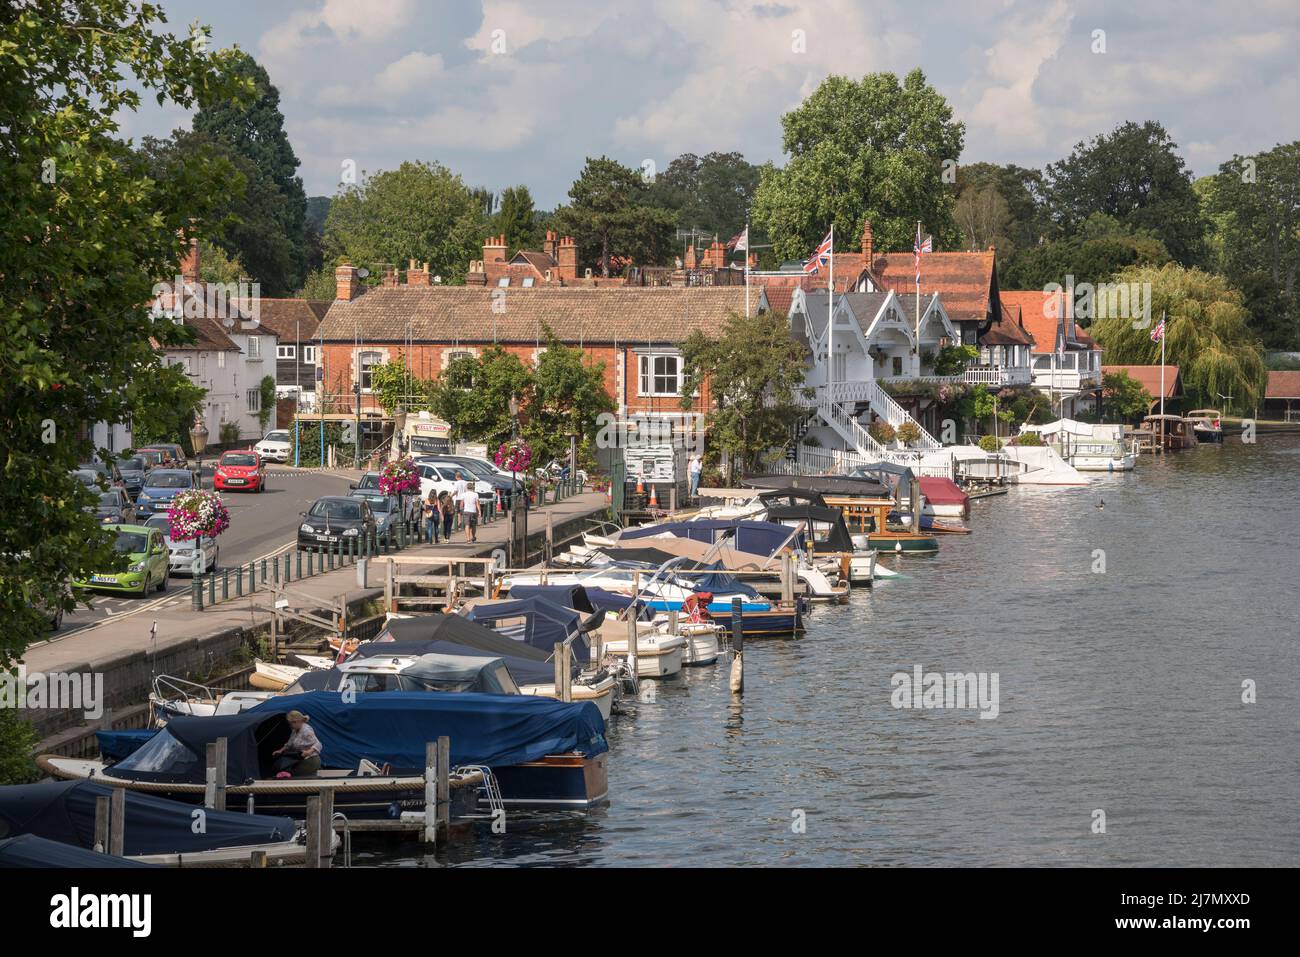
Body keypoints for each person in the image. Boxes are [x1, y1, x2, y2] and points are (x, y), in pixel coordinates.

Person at [272, 710, 322, 778]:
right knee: (285, 771)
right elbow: (290, 743)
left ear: (297, 721)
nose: (290, 725)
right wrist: (281, 750)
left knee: (292, 775)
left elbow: (318, 744)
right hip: (301, 759)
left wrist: (309, 752)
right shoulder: (295, 730)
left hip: (311, 760)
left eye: (291, 723)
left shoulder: (306, 730)